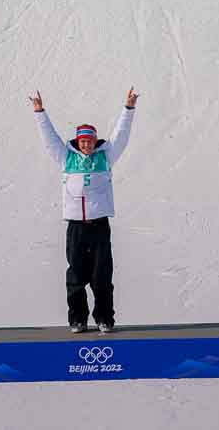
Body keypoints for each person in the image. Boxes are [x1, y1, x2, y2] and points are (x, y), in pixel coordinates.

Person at [31, 87, 138, 334]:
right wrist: (39, 112)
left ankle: (104, 318)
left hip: (99, 225)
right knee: (76, 275)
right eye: (83, 141)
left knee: (102, 275)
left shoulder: (106, 155)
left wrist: (129, 108)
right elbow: (49, 138)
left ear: (95, 140)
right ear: (78, 141)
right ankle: (78, 319)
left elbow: (121, 135)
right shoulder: (65, 157)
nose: (87, 144)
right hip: (76, 227)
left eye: (90, 140)